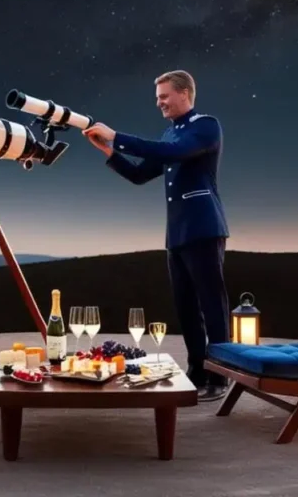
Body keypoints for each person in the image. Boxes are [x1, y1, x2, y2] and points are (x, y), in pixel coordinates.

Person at [82, 70, 230, 402]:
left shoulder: (205, 126)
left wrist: (116, 134)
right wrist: (109, 150)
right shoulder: (170, 134)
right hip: (176, 234)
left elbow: (172, 153)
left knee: (211, 304)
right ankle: (196, 371)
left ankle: (220, 377)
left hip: (204, 227)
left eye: (164, 95)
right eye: (157, 96)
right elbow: (139, 174)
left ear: (185, 94)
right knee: (186, 307)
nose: (158, 102)